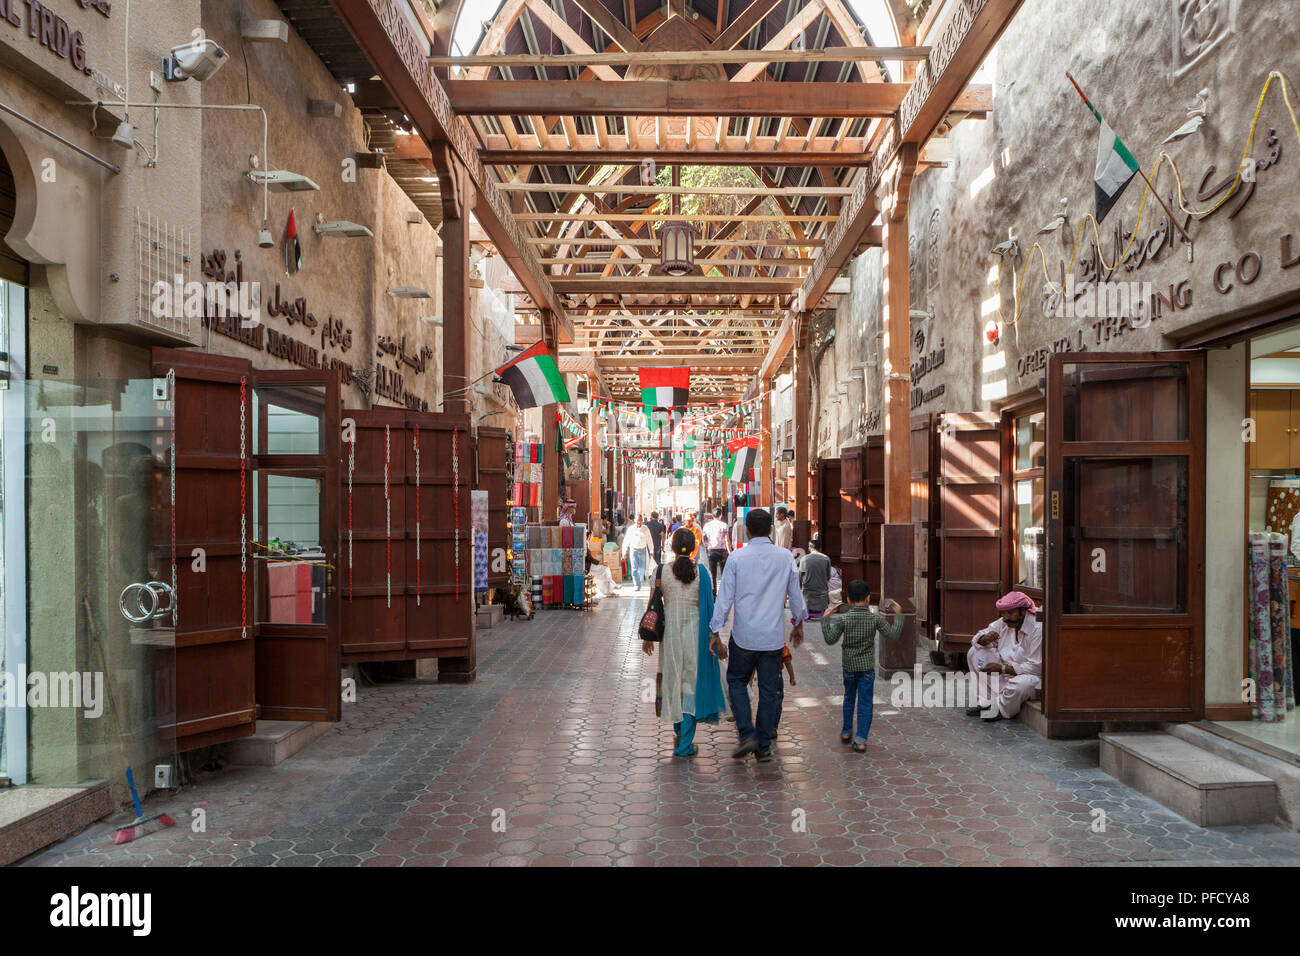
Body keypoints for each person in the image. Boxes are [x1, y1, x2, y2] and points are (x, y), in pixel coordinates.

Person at [709, 508, 807, 763]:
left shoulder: (737, 558)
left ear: (747, 531)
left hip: (744, 636)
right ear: (771, 530)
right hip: (772, 638)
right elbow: (795, 594)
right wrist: (798, 622)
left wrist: (715, 630)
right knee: (769, 690)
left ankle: (746, 733)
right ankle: (763, 746)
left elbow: (725, 598)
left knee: (737, 682)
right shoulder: (785, 557)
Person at [642, 529, 730, 756]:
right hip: (696, 636)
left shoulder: (661, 572)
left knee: (673, 680)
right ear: (693, 548)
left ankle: (679, 732)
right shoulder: (701, 572)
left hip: (670, 636)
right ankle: (684, 744)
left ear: (671, 547)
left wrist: (647, 636)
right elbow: (710, 609)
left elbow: (652, 606)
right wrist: (716, 638)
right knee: (691, 683)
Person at [821, 581, 903, 753]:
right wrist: (899, 615)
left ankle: (846, 731)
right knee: (865, 702)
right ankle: (860, 740)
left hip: (849, 667)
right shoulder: (875, 618)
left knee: (849, 698)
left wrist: (825, 619)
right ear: (868, 599)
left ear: (848, 600)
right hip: (866, 668)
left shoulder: (844, 619)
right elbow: (893, 635)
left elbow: (830, 639)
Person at [964, 590, 1042, 721]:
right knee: (974, 652)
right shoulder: (1005, 622)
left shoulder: (1037, 629)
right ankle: (986, 702)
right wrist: (985, 639)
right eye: (1003, 613)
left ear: (1023, 612)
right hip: (1004, 674)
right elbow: (979, 637)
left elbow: (1036, 668)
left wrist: (1002, 669)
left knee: (1022, 685)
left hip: (1030, 676)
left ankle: (1001, 709)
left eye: (1010, 613)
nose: (1005, 617)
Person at [798, 535, 833, 618]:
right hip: (822, 590)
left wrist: (800, 586)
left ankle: (808, 612)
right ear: (820, 548)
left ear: (809, 548)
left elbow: (800, 576)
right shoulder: (826, 559)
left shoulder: (804, 559)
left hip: (808, 590)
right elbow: (828, 576)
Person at [702, 508, 732, 596]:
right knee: (724, 573)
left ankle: (714, 593)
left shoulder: (707, 526)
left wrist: (706, 547)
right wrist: (730, 551)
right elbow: (727, 539)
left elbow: (704, 539)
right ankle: (723, 593)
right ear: (721, 515)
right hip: (722, 551)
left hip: (711, 551)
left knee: (713, 573)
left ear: (712, 515)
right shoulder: (724, 525)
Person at [621, 514, 653, 589]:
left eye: (640, 520)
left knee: (642, 568)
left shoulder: (645, 528)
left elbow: (649, 540)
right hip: (633, 550)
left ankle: (639, 581)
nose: (639, 522)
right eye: (637, 520)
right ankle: (637, 585)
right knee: (634, 568)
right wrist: (624, 552)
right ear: (634, 520)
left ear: (642, 520)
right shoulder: (631, 529)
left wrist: (651, 550)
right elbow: (626, 541)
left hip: (643, 550)